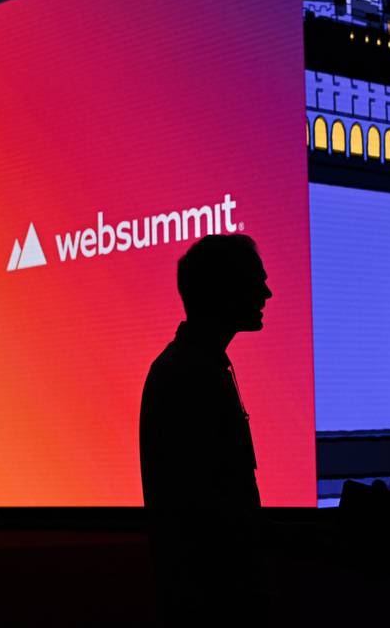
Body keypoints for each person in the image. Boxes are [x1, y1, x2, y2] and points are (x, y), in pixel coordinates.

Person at [139, 234, 272, 624]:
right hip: (213, 601)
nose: (267, 293)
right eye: (256, 281)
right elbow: (208, 508)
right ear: (225, 290)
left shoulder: (193, 366)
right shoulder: (190, 374)